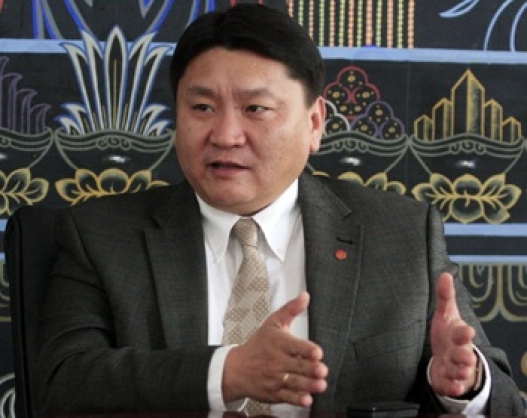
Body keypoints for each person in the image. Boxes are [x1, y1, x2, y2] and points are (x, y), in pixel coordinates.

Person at [36, 3, 525, 417]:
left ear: (314, 124)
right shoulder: (100, 235)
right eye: (202, 108)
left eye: (256, 109)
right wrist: (227, 372)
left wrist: (463, 387)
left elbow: (506, 404)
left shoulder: (401, 235)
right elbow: (61, 386)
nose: (226, 135)